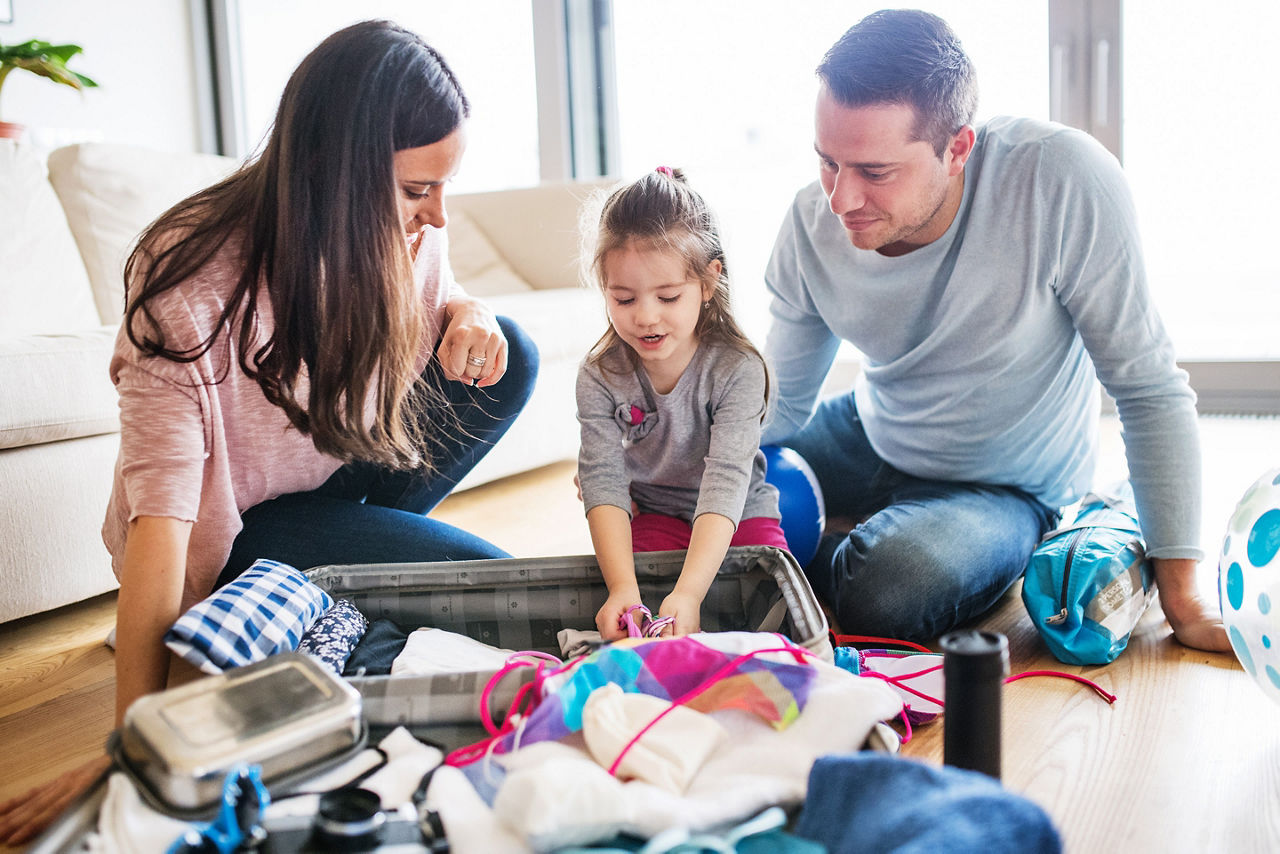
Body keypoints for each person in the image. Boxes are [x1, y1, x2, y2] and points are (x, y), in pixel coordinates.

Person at [0, 20, 537, 844]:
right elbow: (162, 516)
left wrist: (472, 312)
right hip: (240, 532)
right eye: (416, 189)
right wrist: (138, 749)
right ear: (336, 173)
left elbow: (443, 286)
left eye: (443, 184)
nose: (437, 214)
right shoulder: (187, 279)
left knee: (515, 360)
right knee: (499, 588)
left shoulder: (401, 231)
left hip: (335, 472)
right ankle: (297, 584)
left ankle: (359, 555)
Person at [761, 9, 1229, 651]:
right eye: (827, 162)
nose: (840, 199)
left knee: (886, 593)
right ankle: (849, 536)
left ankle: (887, 543)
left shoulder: (1061, 181)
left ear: (956, 149)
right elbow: (779, 403)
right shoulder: (813, 221)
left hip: (1005, 481)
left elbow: (1147, 389)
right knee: (699, 487)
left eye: (873, 172)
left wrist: (1183, 598)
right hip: (877, 424)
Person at [577, 167, 787, 640]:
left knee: (771, 612)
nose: (646, 317)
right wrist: (622, 588)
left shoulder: (738, 369)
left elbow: (726, 479)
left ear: (708, 282)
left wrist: (690, 592)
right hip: (653, 512)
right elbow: (602, 479)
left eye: (668, 296)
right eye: (624, 298)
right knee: (634, 616)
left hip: (738, 514)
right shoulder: (598, 374)